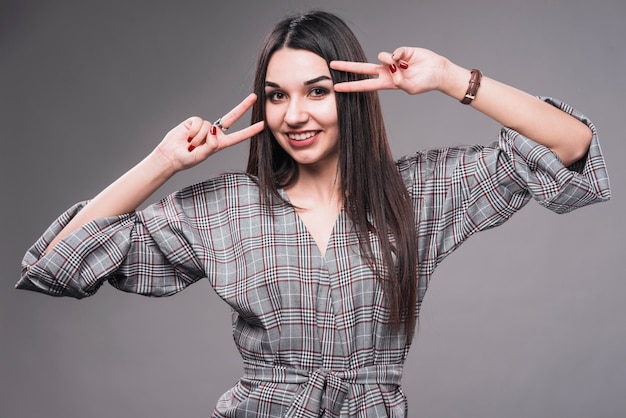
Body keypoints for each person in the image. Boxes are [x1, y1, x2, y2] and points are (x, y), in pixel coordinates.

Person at [17, 9, 610, 418]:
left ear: (351, 94)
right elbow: (57, 265)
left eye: (317, 90)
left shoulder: (415, 195)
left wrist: (452, 79)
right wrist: (163, 161)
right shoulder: (227, 208)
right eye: (277, 95)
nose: (294, 114)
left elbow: (571, 146)